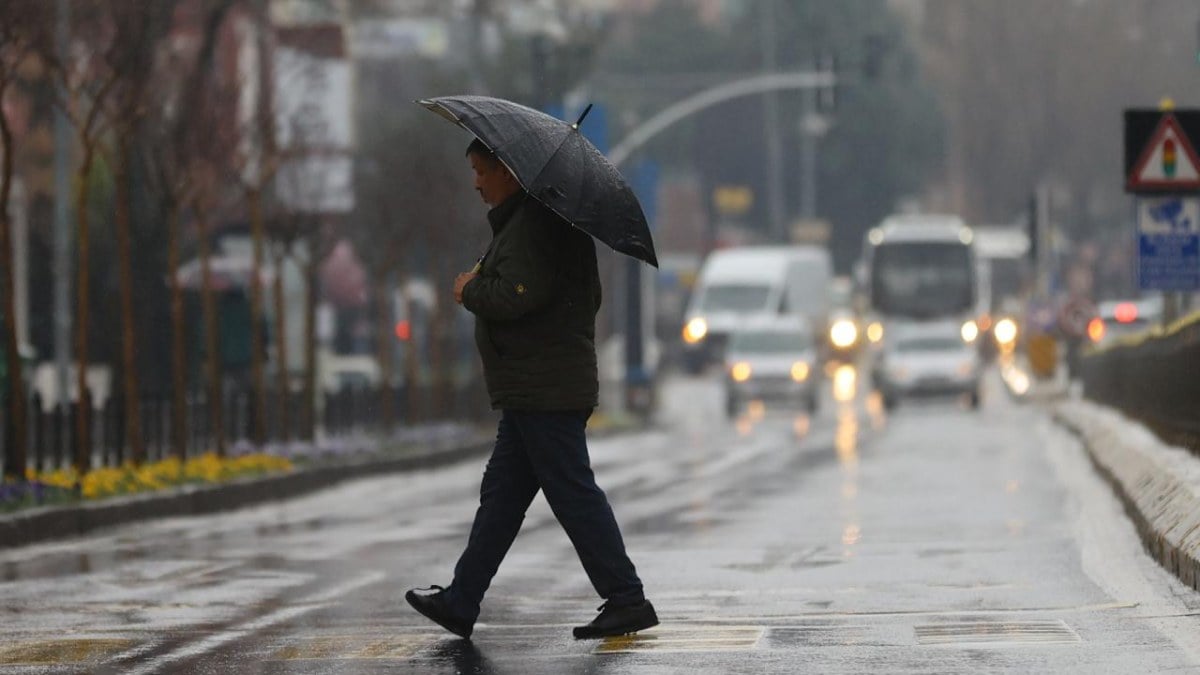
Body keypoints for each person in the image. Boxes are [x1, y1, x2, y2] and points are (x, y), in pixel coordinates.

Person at [405, 138, 657, 640]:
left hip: (545, 389)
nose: (476, 182)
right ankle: (461, 600)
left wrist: (469, 289)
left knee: (572, 493)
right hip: (535, 388)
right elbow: (582, 295)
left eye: (482, 171)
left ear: (509, 171)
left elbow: (517, 296)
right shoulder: (536, 223)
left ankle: (626, 598)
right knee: (501, 497)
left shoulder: (535, 225)